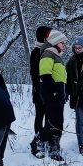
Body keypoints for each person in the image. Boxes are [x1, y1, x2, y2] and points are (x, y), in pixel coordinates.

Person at [37, 29, 68, 161]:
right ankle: (47, 145)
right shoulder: (48, 54)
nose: (64, 46)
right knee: (54, 121)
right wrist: (54, 90)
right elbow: (45, 74)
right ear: (55, 42)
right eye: (62, 43)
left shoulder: (56, 55)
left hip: (58, 91)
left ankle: (50, 144)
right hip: (52, 92)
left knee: (57, 120)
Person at [29, 25, 52, 156]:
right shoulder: (37, 51)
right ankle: (38, 141)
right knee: (40, 116)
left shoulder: (49, 50)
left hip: (48, 90)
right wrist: (39, 89)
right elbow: (34, 73)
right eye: (48, 34)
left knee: (49, 117)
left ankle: (46, 139)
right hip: (39, 90)